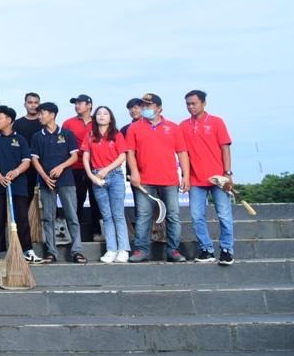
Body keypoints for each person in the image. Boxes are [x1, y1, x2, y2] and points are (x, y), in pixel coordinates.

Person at [127, 92, 190, 263]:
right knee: (143, 215)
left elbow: (182, 152)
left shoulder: (173, 127)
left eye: (149, 105)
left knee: (173, 215)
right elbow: (130, 153)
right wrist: (134, 173)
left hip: (169, 179)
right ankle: (141, 250)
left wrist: (186, 175)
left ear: (159, 108)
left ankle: (173, 250)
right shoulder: (135, 127)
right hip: (145, 180)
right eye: (143, 105)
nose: (145, 108)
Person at [179, 90, 235, 265]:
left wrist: (227, 174)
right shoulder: (183, 125)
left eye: (194, 103)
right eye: (188, 104)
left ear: (204, 103)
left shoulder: (217, 122)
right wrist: (185, 176)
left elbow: (225, 148)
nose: (191, 107)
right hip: (196, 180)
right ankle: (206, 249)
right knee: (196, 216)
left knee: (224, 215)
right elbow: (183, 153)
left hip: (218, 178)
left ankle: (227, 249)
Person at [0, 105, 42, 264]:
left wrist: (15, 172)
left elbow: (27, 161)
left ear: (9, 120)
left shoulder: (20, 139)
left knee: (22, 218)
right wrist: (0, 177)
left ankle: (27, 250)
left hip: (18, 186)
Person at [30, 102, 84, 263]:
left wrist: (61, 167)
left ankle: (77, 251)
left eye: (42, 113)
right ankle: (51, 252)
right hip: (46, 182)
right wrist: (44, 177)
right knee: (48, 217)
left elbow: (74, 156)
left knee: (72, 216)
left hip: (66, 180)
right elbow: (34, 159)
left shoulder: (67, 134)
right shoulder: (37, 136)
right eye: (39, 114)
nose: (40, 116)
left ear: (52, 115)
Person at [83, 106, 130, 263]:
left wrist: (106, 170)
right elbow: (85, 156)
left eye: (105, 114)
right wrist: (91, 175)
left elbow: (122, 156)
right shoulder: (90, 135)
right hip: (97, 177)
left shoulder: (117, 134)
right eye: (99, 114)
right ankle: (111, 249)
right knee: (107, 215)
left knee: (118, 214)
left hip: (114, 176)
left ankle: (123, 249)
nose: (102, 116)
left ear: (110, 118)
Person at [63, 94, 102, 239]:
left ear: (89, 105)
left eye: (80, 103)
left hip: (96, 168)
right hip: (75, 168)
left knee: (96, 200)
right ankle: (74, 233)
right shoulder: (68, 123)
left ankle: (96, 231)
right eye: (76, 103)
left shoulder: (99, 121)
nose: (77, 106)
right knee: (76, 201)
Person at [13, 92, 43, 199]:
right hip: (24, 165)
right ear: (25, 104)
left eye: (36, 103)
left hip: (43, 164)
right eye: (30, 102)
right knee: (26, 194)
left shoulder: (44, 123)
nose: (33, 105)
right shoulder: (17, 124)